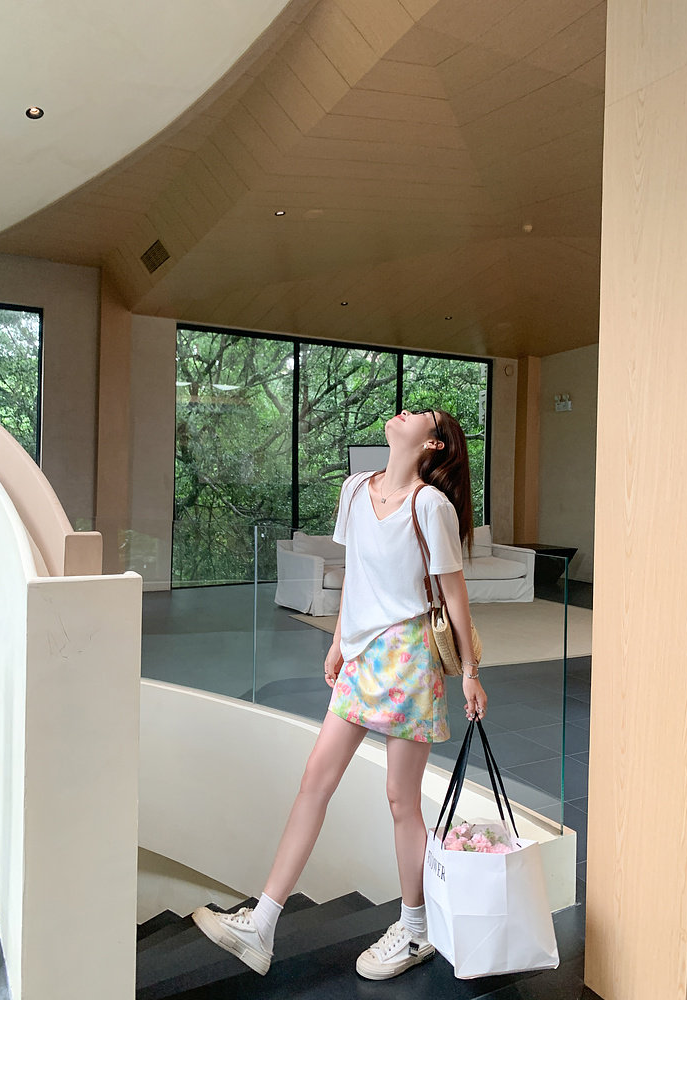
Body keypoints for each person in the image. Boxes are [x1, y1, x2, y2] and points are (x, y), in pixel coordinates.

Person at [191, 407, 488, 980]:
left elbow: (454, 594)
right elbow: (355, 572)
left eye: (419, 415)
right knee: (315, 780)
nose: (402, 412)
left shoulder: (431, 505)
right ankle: (262, 924)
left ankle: (415, 928)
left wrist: (470, 671)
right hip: (359, 656)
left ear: (431, 443)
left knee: (400, 799)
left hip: (408, 657)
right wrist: (338, 641)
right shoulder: (355, 489)